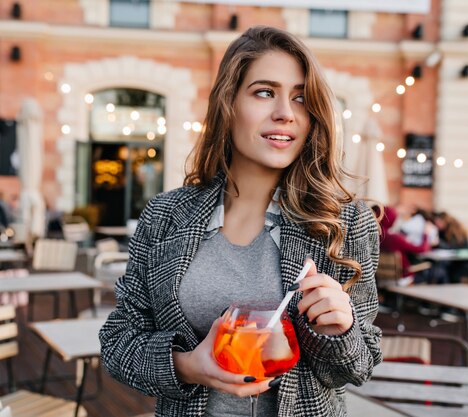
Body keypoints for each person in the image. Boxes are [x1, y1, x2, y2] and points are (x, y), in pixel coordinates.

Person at [99, 26, 382, 416]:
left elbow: (359, 366)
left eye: (300, 98)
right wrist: (187, 366)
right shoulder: (166, 216)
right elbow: (118, 342)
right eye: (265, 92)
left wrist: (341, 330)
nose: (285, 113)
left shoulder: (344, 221)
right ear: (228, 104)